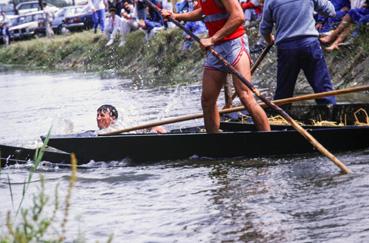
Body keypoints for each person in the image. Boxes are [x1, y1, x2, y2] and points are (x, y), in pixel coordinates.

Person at [162, 0, 271, 133]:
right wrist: (176, 16)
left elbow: (238, 16)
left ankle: (267, 136)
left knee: (245, 95)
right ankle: (214, 142)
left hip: (235, 44)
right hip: (217, 47)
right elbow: (203, 11)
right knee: (207, 100)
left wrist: (212, 39)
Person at [260, 0, 337, 105]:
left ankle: (281, 116)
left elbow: (265, 28)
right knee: (324, 89)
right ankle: (331, 114)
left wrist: (269, 40)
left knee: (283, 94)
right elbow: (331, 11)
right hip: (310, 45)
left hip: (286, 50)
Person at [96, 104, 166, 134]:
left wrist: (155, 131)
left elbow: (157, 127)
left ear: (112, 118)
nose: (98, 118)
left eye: (102, 115)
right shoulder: (100, 132)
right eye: (97, 115)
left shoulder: (120, 128)